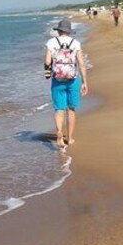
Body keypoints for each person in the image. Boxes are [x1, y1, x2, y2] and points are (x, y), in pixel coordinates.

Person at [44, 18, 89, 148]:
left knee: (59, 109)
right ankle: (69, 138)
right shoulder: (75, 43)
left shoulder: (51, 42)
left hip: (57, 79)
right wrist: (84, 82)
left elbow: (47, 62)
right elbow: (81, 64)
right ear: (69, 31)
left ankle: (59, 134)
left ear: (58, 31)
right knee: (71, 109)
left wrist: (47, 71)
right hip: (73, 79)